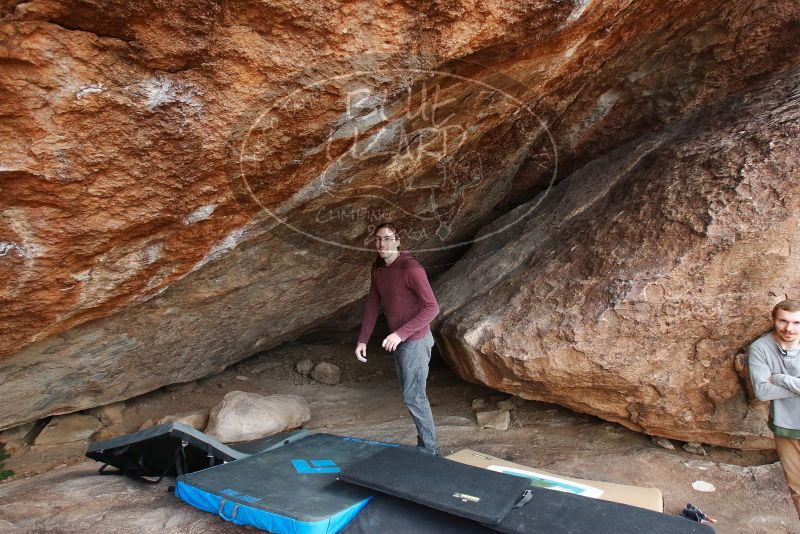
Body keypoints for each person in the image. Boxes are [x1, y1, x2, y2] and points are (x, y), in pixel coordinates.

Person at [355, 222, 440, 454]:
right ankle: (424, 445)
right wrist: (362, 340)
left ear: (398, 240)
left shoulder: (410, 268)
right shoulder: (379, 269)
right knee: (410, 395)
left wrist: (400, 333)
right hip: (401, 341)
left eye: (388, 238)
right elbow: (373, 304)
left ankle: (430, 450)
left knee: (414, 395)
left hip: (416, 340)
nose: (382, 243)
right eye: (378, 239)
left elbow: (432, 308)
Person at [749, 299, 800, 518]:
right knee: (797, 487)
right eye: (784, 321)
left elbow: (771, 384)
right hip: (786, 428)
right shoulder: (761, 348)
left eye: (797, 323)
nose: (789, 328)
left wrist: (780, 378)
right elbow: (762, 392)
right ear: (774, 320)